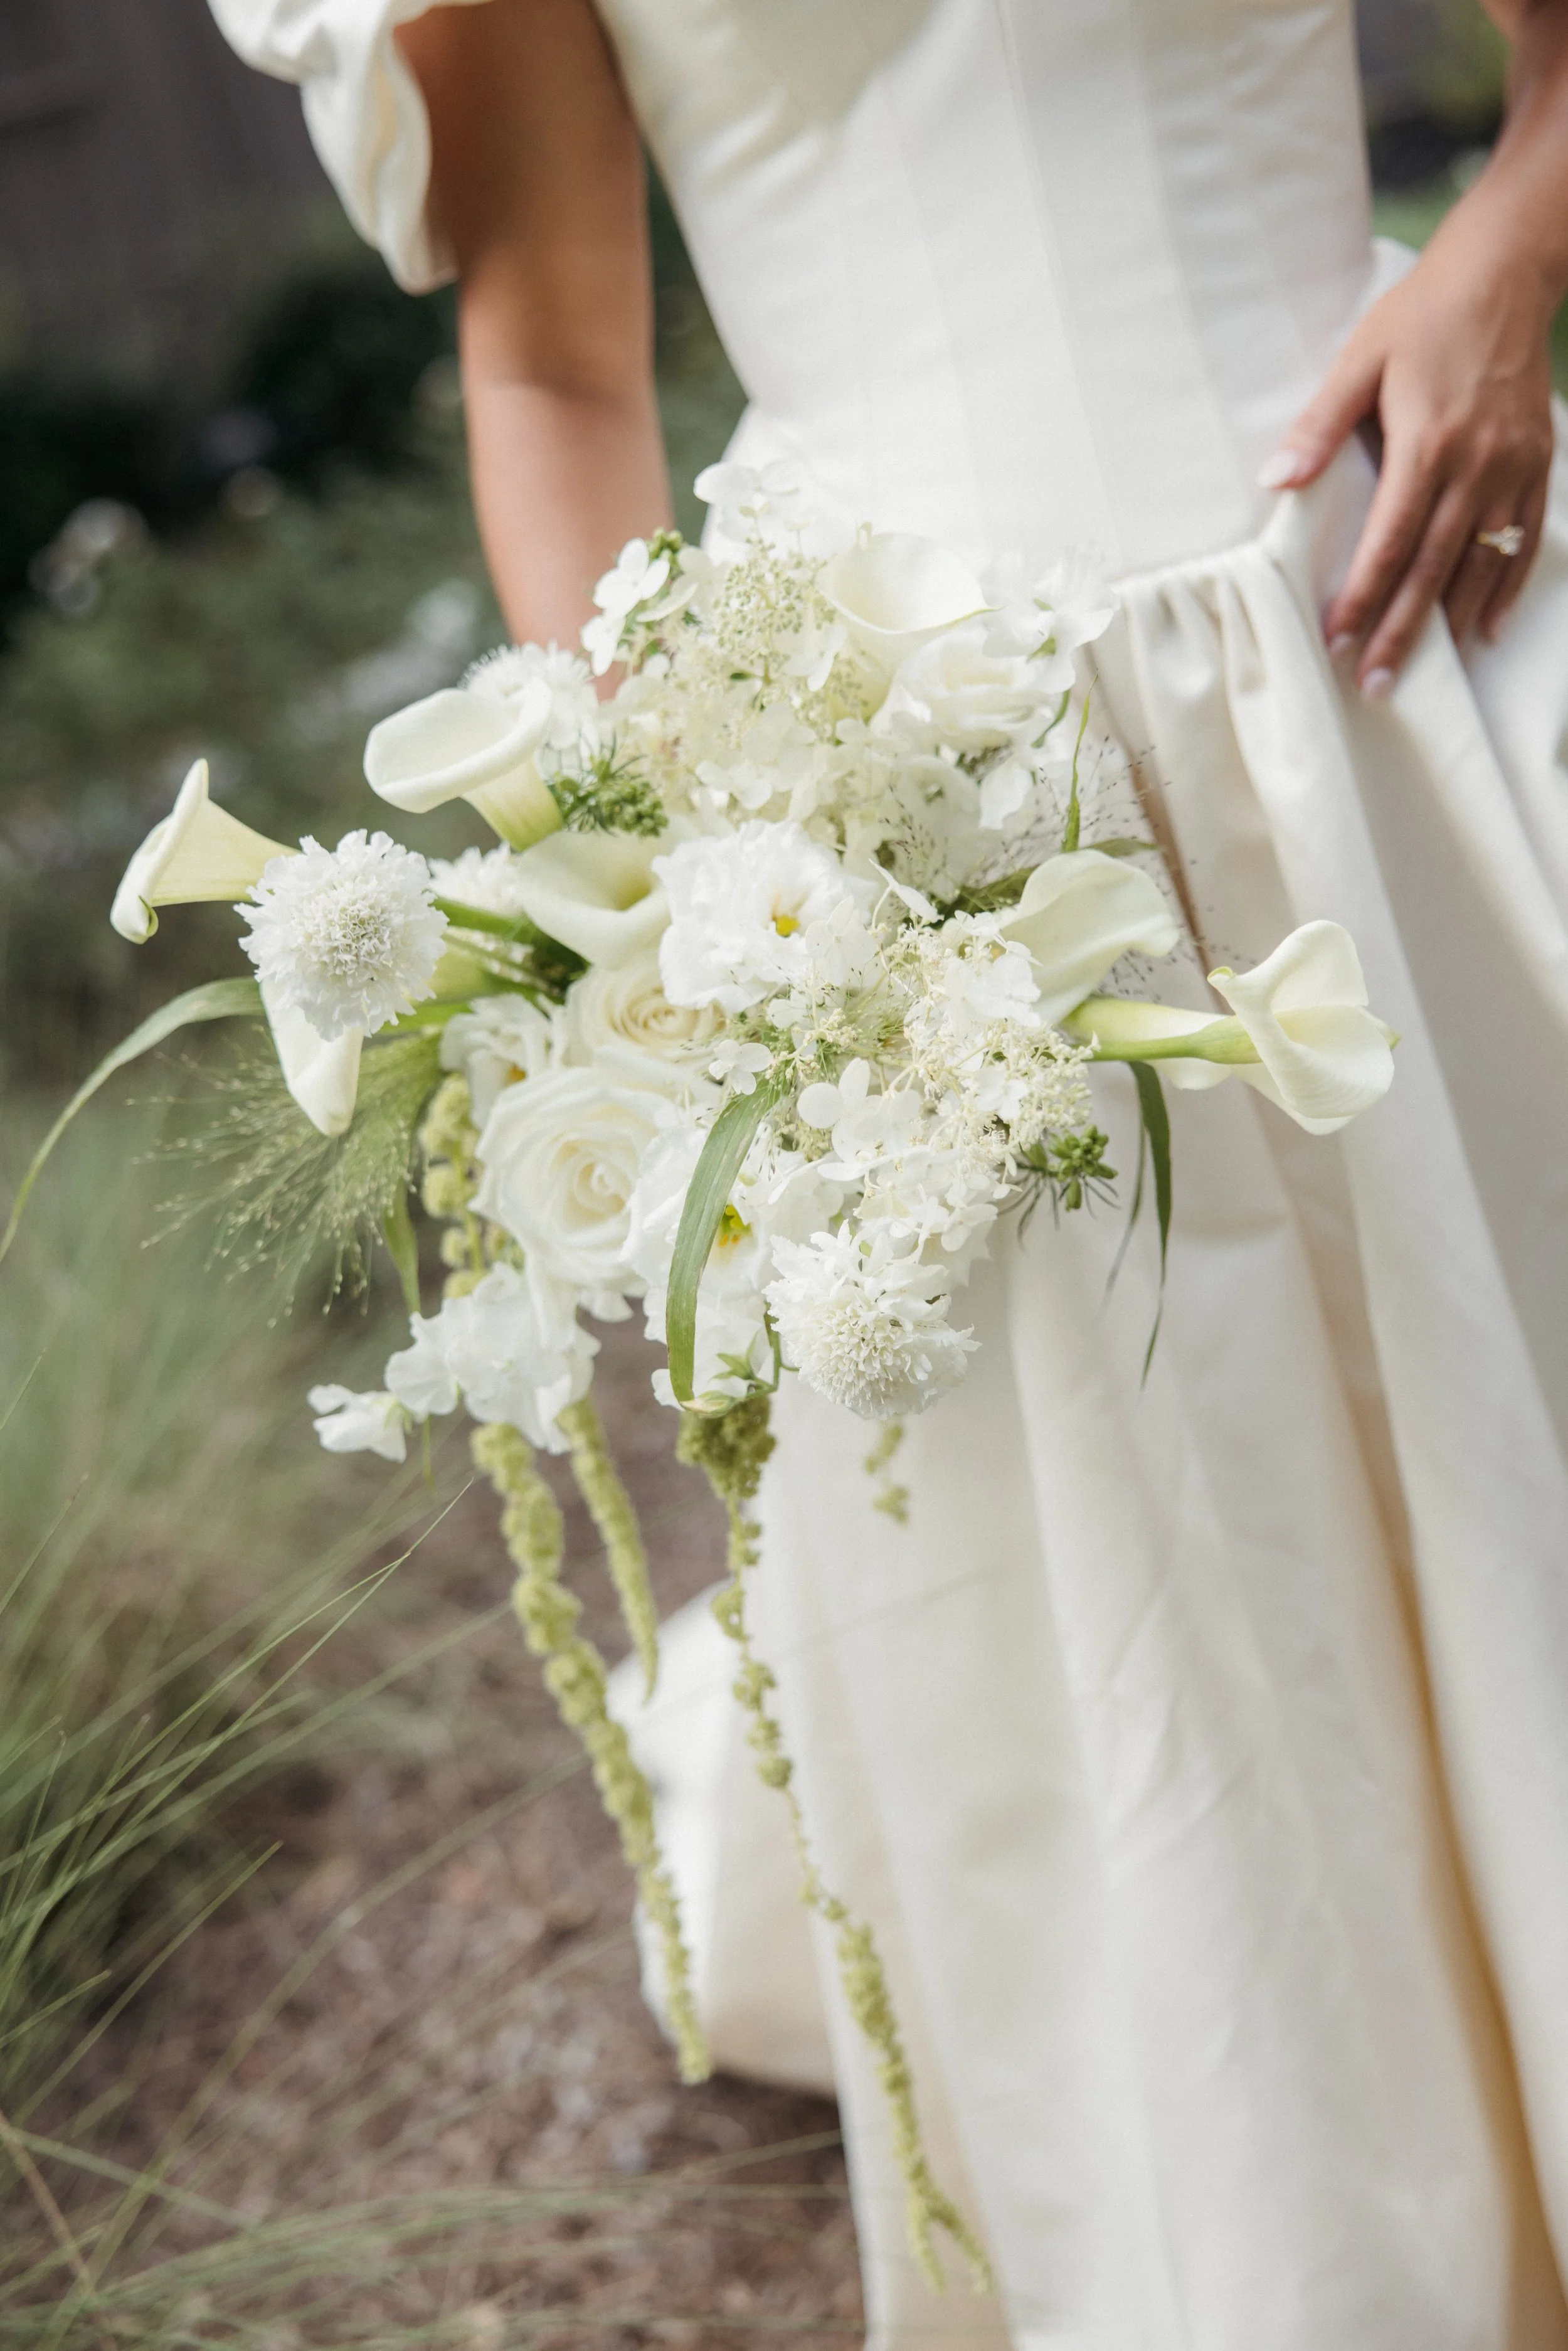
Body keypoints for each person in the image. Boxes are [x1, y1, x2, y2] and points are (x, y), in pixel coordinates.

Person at [209, 1, 1568, 2343]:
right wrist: (678, 870)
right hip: (901, 793)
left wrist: (1502, 259)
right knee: (1164, 1572)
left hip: (1387, 612)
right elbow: (555, 377)